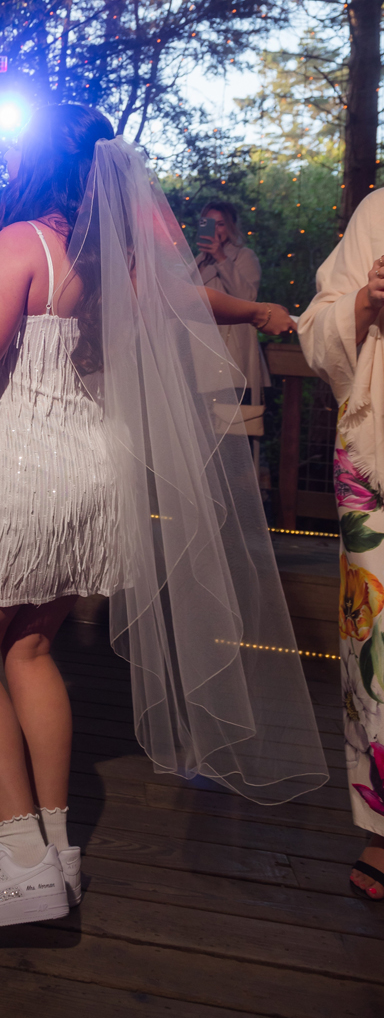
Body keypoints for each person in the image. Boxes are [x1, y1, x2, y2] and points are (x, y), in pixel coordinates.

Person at [0, 104, 328, 934]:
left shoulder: (25, 241)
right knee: (29, 647)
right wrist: (258, 311)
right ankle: (56, 850)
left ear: (38, 162)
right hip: (99, 476)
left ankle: (18, 856)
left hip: (29, 470)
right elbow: (195, 302)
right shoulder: (122, 263)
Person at [297, 188, 384, 901]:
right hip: (375, 463)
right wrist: (364, 303)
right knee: (375, 641)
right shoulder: (377, 212)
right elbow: (315, 324)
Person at [195, 199, 270, 421]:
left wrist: (221, 258)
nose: (215, 229)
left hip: (228, 356)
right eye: (209, 223)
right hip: (198, 354)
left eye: (220, 224)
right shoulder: (199, 261)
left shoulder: (244, 256)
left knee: (229, 424)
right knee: (202, 426)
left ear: (230, 226)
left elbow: (248, 298)